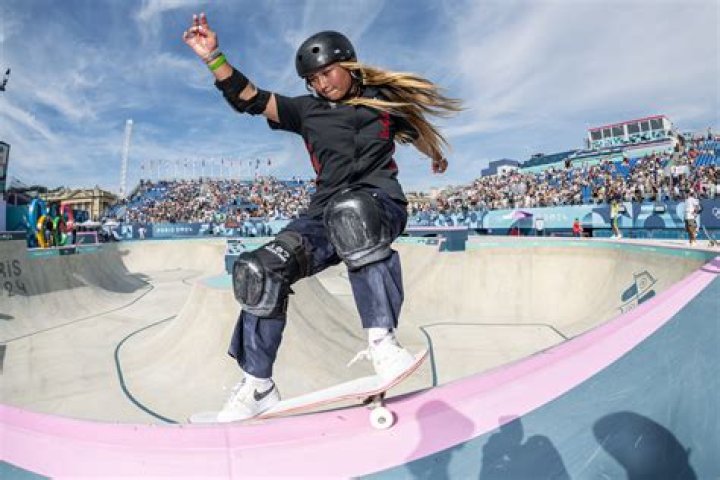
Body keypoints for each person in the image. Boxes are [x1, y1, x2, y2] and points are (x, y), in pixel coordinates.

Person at [183, 13, 461, 421]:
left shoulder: (384, 101)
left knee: (353, 213)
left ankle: (383, 343)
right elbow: (250, 98)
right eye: (312, 79)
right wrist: (213, 57)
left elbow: (416, 130)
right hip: (322, 217)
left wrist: (434, 155)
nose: (321, 84)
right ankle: (258, 386)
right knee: (258, 270)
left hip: (378, 204)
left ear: (348, 65)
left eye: (327, 73)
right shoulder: (305, 110)